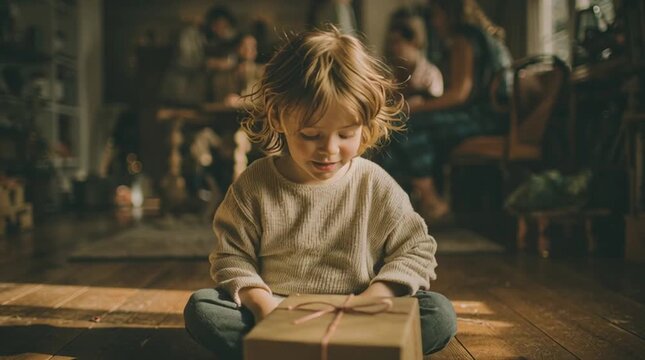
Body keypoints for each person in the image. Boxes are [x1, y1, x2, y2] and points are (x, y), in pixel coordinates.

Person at [183, 26, 457, 360]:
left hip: (361, 311)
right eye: (311, 134)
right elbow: (231, 258)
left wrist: (375, 298)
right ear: (278, 117)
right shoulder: (253, 185)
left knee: (438, 312)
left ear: (366, 124)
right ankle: (328, 351)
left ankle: (294, 353)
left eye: (346, 134)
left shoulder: (375, 184)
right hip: (277, 312)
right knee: (203, 308)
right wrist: (264, 306)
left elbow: (416, 250)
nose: (329, 150)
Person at [376, 0, 512, 221]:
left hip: (485, 117)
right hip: (496, 115)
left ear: (449, 14)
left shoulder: (463, 39)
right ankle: (402, 201)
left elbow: (460, 94)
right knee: (406, 128)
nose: (434, 22)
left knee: (402, 123)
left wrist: (414, 107)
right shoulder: (482, 36)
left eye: (436, 15)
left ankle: (425, 200)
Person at [385, 9, 444, 102]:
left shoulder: (430, 74)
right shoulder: (392, 73)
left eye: (397, 42)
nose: (393, 48)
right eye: (392, 43)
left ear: (412, 42)